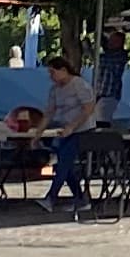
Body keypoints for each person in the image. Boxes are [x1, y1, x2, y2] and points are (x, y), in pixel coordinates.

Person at [42, 53, 99, 206]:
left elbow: (88, 108)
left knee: (64, 161)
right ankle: (80, 198)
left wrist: (73, 126)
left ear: (63, 70)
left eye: (53, 72)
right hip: (64, 130)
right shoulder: (55, 90)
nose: (51, 76)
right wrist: (38, 132)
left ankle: (51, 197)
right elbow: (49, 112)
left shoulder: (79, 84)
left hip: (83, 130)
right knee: (63, 163)